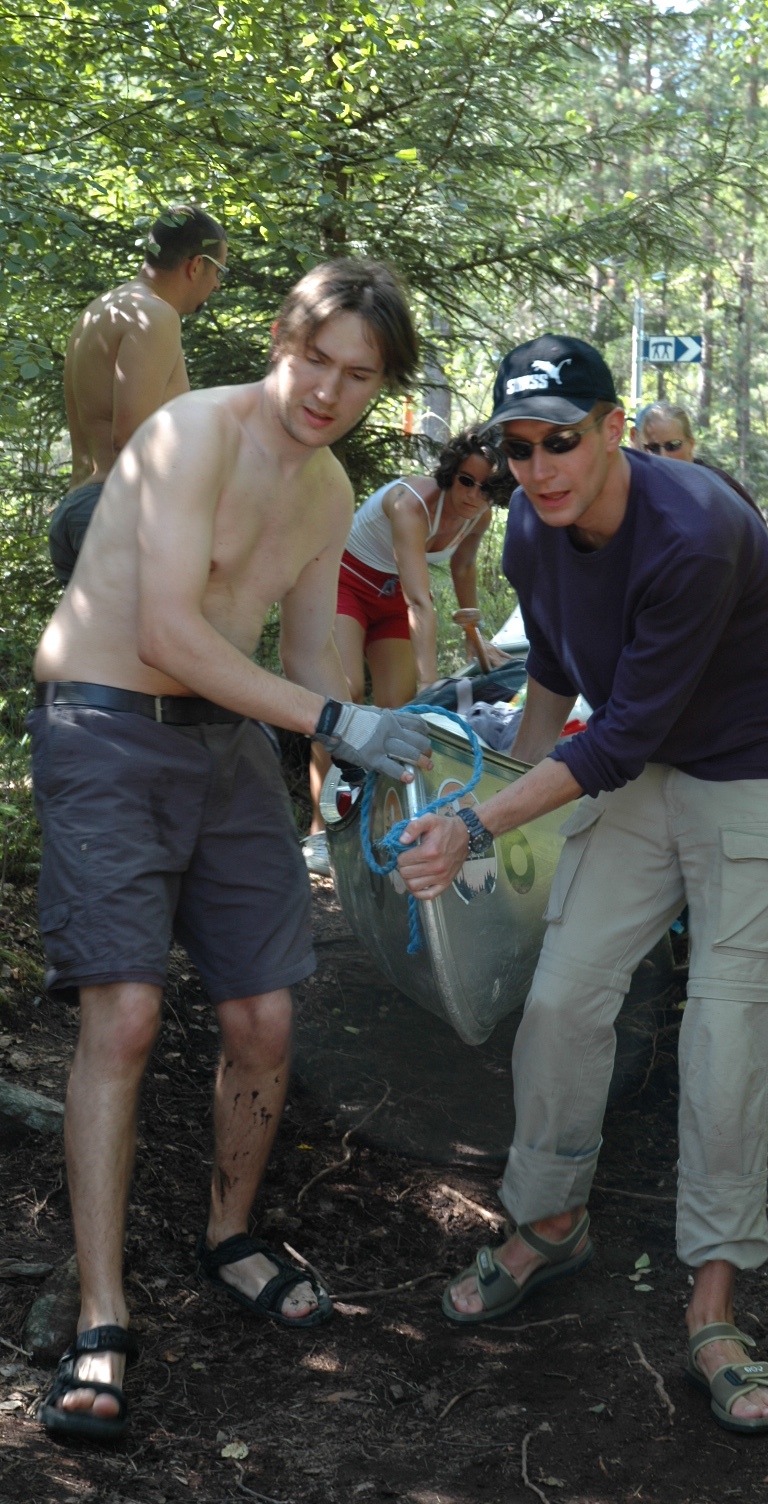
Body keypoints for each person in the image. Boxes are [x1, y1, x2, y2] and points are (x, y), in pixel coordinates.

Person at [29, 259, 433, 1443]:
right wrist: (330, 722)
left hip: (226, 745)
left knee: (264, 1016)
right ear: (279, 338)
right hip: (105, 723)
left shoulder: (326, 491)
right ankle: (103, 1316)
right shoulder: (190, 435)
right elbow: (165, 630)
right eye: (316, 359)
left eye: (358, 377)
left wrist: (369, 753)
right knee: (128, 1017)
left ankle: (229, 1232)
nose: (327, 391)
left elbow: (313, 666)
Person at [396, 333, 768, 1436]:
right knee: (561, 998)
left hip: (751, 767)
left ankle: (714, 1307)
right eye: (517, 447)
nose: (538, 469)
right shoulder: (531, 541)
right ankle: (548, 1223)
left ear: (611, 426)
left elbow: (616, 739)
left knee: (724, 1042)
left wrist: (469, 823)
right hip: (644, 769)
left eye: (563, 442)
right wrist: (486, 791)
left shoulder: (691, 531)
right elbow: (551, 675)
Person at [299, 428, 513, 874]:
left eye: (486, 488)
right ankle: (320, 830)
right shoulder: (410, 504)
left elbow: (464, 567)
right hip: (348, 582)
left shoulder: (479, 516)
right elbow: (421, 601)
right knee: (343, 696)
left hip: (391, 596)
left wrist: (479, 641)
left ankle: (379, 826)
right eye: (466, 481)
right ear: (452, 472)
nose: (473, 496)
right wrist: (431, 680)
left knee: (397, 713)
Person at [48, 203, 227, 585]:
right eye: (219, 271)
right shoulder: (155, 315)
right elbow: (131, 435)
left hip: (79, 509)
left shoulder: (101, 309)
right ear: (196, 265)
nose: (217, 285)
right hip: (116, 512)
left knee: (98, 647)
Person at [631, 400, 764, 519]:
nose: (663, 456)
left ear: (691, 444)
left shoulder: (718, 489)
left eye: (673, 445)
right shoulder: (640, 492)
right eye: (653, 448)